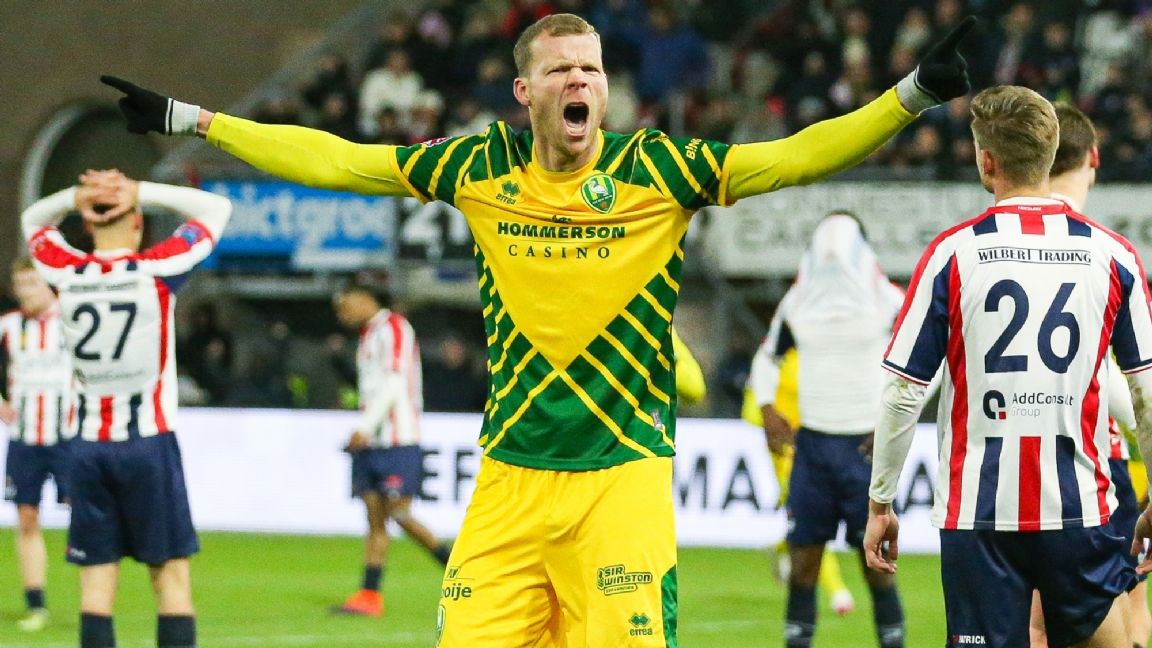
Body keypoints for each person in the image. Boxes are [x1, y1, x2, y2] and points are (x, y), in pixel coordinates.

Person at [101, 13, 974, 646]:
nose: (580, 82)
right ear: (525, 92)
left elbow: (795, 157)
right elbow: (339, 160)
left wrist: (912, 95)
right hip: (510, 483)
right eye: (560, 71)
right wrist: (193, 121)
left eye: (591, 69)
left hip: (620, 480)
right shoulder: (478, 166)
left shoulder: (659, 169)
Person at [864, 84, 1152, 648]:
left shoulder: (951, 254)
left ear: (986, 161)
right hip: (1080, 508)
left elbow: (903, 391)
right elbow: (1145, 393)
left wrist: (881, 503)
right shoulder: (1114, 254)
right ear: (1051, 155)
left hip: (979, 514)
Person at [21, 169, 232, 648]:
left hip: (87, 448)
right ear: (138, 224)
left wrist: (77, 195)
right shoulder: (156, 269)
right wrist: (138, 191)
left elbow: (33, 219)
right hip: (147, 443)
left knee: (96, 584)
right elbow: (215, 209)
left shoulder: (65, 272)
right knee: (169, 576)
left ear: (87, 225)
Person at [749, 212, 907, 648]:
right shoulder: (797, 304)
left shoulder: (890, 302)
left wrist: (896, 419)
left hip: (866, 449)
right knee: (803, 567)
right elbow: (767, 358)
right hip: (813, 447)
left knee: (877, 567)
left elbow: (927, 363)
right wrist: (766, 407)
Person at [1028, 102, 1152, 648]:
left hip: (1016, 469)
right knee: (1126, 614)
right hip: (1099, 467)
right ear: (1093, 158)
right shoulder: (1108, 253)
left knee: (1035, 626)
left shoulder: (990, 245)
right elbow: (1133, 381)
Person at [330, 284, 452, 617]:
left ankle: (460, 570)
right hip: (372, 443)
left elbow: (395, 382)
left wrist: (365, 426)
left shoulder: (394, 327)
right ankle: (369, 595)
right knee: (375, 519)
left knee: (400, 513)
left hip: (398, 440)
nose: (342, 314)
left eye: (346, 304)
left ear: (365, 298)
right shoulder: (368, 335)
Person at [743, 347, 858, 616]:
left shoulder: (819, 351)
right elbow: (752, 406)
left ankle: (782, 545)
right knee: (811, 516)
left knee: (810, 518)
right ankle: (837, 590)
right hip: (786, 451)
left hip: (818, 445)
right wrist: (771, 425)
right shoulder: (773, 355)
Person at [0, 257, 74, 632]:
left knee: (88, 514)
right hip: (25, 438)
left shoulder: (74, 321)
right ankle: (36, 603)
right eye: (21, 285)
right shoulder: (9, 325)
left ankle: (96, 599)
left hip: (68, 437)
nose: (26, 292)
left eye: (33, 284)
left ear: (50, 285)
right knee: (27, 518)